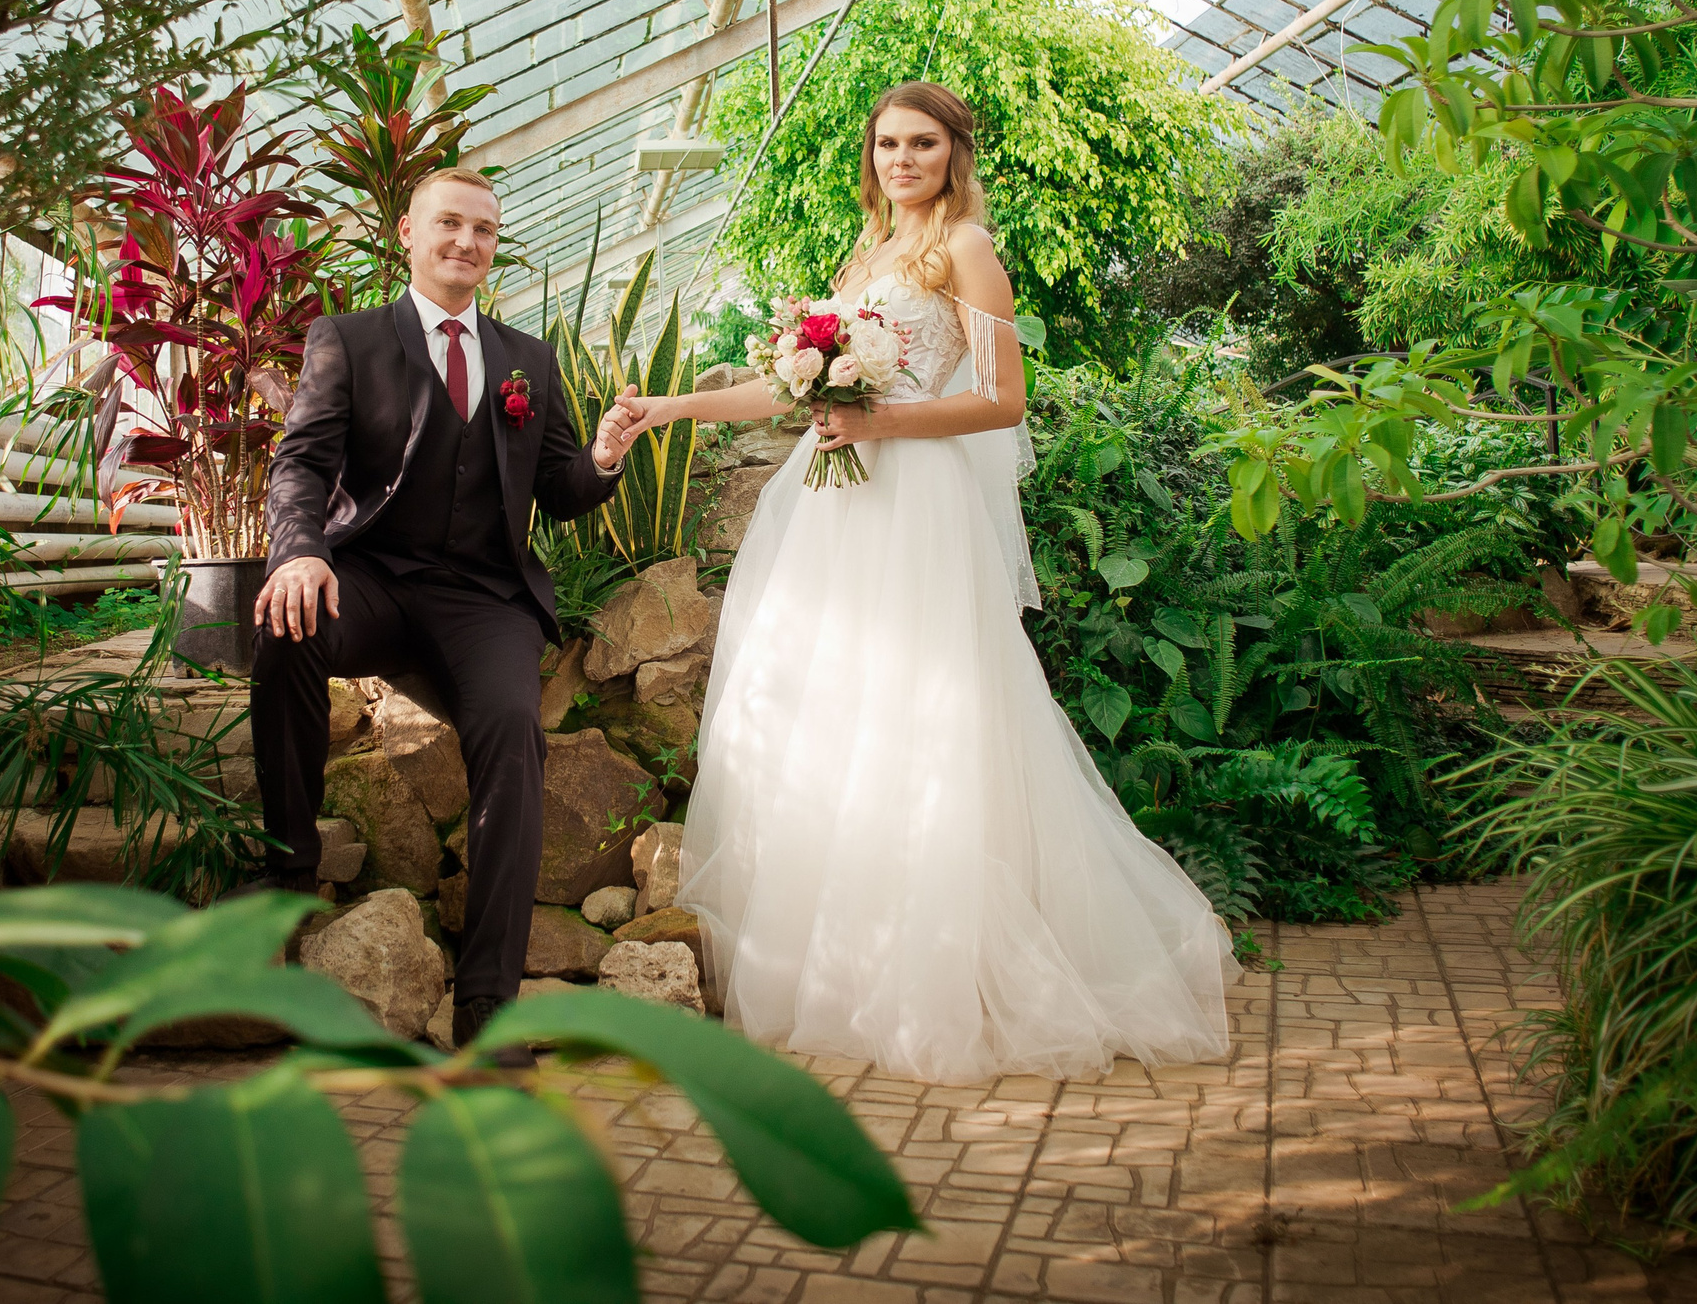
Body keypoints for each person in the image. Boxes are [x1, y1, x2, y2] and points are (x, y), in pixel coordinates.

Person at [618, 83, 1239, 1083]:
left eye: (923, 142)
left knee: (925, 722)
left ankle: (941, 969)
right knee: (829, 720)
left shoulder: (966, 250)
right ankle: (842, 961)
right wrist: (667, 405)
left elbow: (1003, 398)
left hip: (916, 512)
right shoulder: (860, 256)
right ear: (870, 157)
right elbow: (789, 386)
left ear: (955, 152)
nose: (902, 158)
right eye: (887, 143)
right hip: (830, 511)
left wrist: (882, 423)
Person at [249, 166, 644, 1049]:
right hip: (373, 577)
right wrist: (301, 551)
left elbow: (559, 486)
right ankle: (287, 875)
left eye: (484, 230)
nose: (467, 243)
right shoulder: (344, 339)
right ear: (408, 233)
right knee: (284, 623)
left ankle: (487, 1007)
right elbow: (302, 462)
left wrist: (607, 457)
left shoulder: (527, 359)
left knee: (511, 729)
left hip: (481, 596)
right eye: (449, 225)